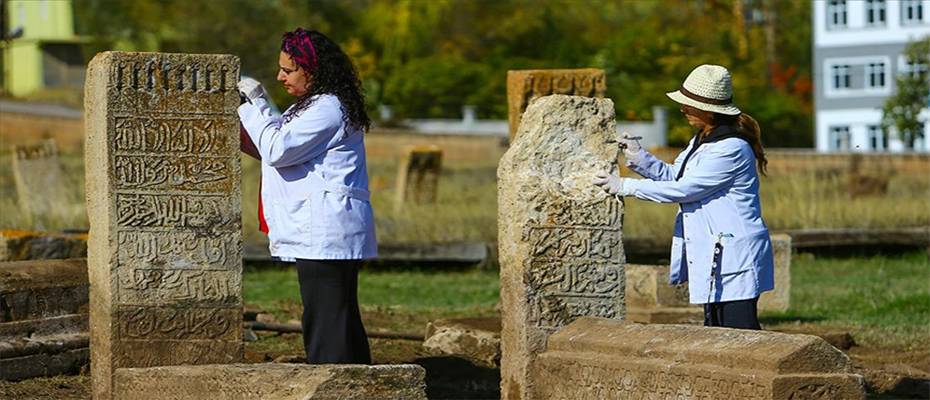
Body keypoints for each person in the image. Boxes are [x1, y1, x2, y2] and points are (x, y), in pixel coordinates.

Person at [592, 64, 774, 330]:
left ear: (709, 110)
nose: (683, 109)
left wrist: (625, 187)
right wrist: (637, 156)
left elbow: (685, 190)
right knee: (717, 329)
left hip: (735, 252)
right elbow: (676, 176)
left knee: (739, 331)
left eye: (689, 104)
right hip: (718, 250)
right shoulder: (703, 139)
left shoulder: (731, 148)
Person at [237, 28, 376, 363]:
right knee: (336, 318)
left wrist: (256, 103)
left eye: (288, 70)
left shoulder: (327, 108)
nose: (279, 76)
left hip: (326, 228)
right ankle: (359, 381)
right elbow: (272, 148)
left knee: (327, 322)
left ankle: (334, 383)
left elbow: (278, 148)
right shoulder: (311, 106)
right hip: (323, 227)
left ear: (312, 70)